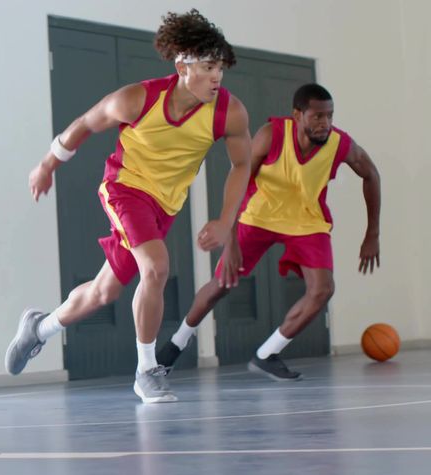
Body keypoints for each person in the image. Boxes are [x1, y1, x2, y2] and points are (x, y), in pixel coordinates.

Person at [5, 10, 252, 403]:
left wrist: (226, 220)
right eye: (208, 67)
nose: (217, 76)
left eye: (220, 67)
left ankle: (39, 329)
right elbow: (86, 123)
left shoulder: (229, 111)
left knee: (104, 293)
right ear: (182, 66)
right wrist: (47, 164)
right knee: (156, 267)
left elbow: (242, 164)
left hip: (164, 207)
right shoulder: (138, 99)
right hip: (124, 189)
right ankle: (146, 371)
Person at [157, 83, 381, 380]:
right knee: (221, 284)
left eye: (329, 116)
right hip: (257, 217)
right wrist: (231, 240)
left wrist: (372, 234)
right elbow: (238, 178)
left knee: (323, 290)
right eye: (317, 116)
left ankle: (267, 354)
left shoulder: (341, 144)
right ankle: (177, 343)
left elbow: (371, 174)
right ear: (297, 115)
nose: (324, 123)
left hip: (307, 222)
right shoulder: (271, 135)